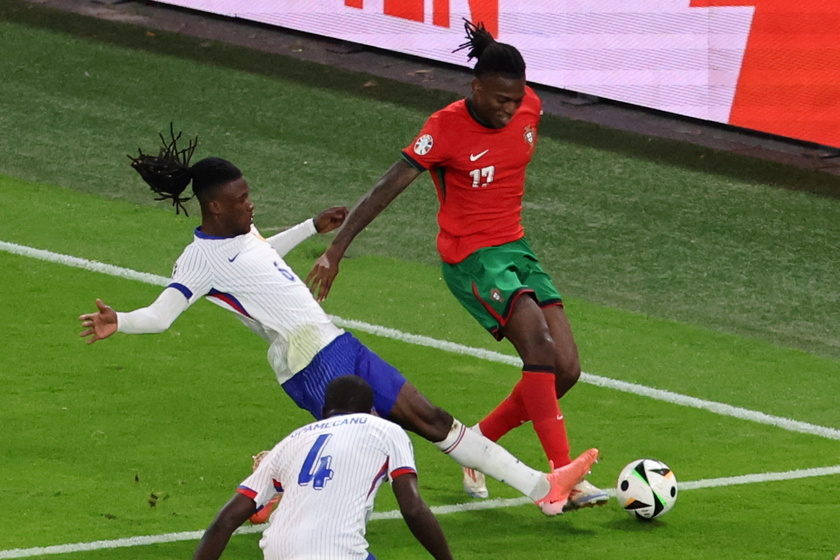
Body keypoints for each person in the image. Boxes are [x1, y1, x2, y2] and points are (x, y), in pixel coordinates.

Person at [78, 131, 599, 518]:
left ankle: (544, 489)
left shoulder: (240, 234)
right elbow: (162, 315)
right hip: (306, 361)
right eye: (241, 199)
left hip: (332, 343)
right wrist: (118, 321)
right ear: (214, 206)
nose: (250, 203)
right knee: (379, 447)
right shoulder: (198, 259)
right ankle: (273, 482)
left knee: (430, 419)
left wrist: (310, 226)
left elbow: (258, 254)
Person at [306, 21, 608, 509]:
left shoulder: (531, 107)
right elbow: (388, 186)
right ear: (475, 88)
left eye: (516, 100)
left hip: (515, 248)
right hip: (470, 257)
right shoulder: (444, 128)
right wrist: (336, 249)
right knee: (539, 343)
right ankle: (559, 480)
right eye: (498, 100)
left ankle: (479, 450)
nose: (508, 109)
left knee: (566, 370)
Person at [192, 375, 453, 560]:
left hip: (277, 552)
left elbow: (225, 521)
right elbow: (413, 508)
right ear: (371, 411)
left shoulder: (291, 440)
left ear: (326, 410)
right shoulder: (385, 430)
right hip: (337, 552)